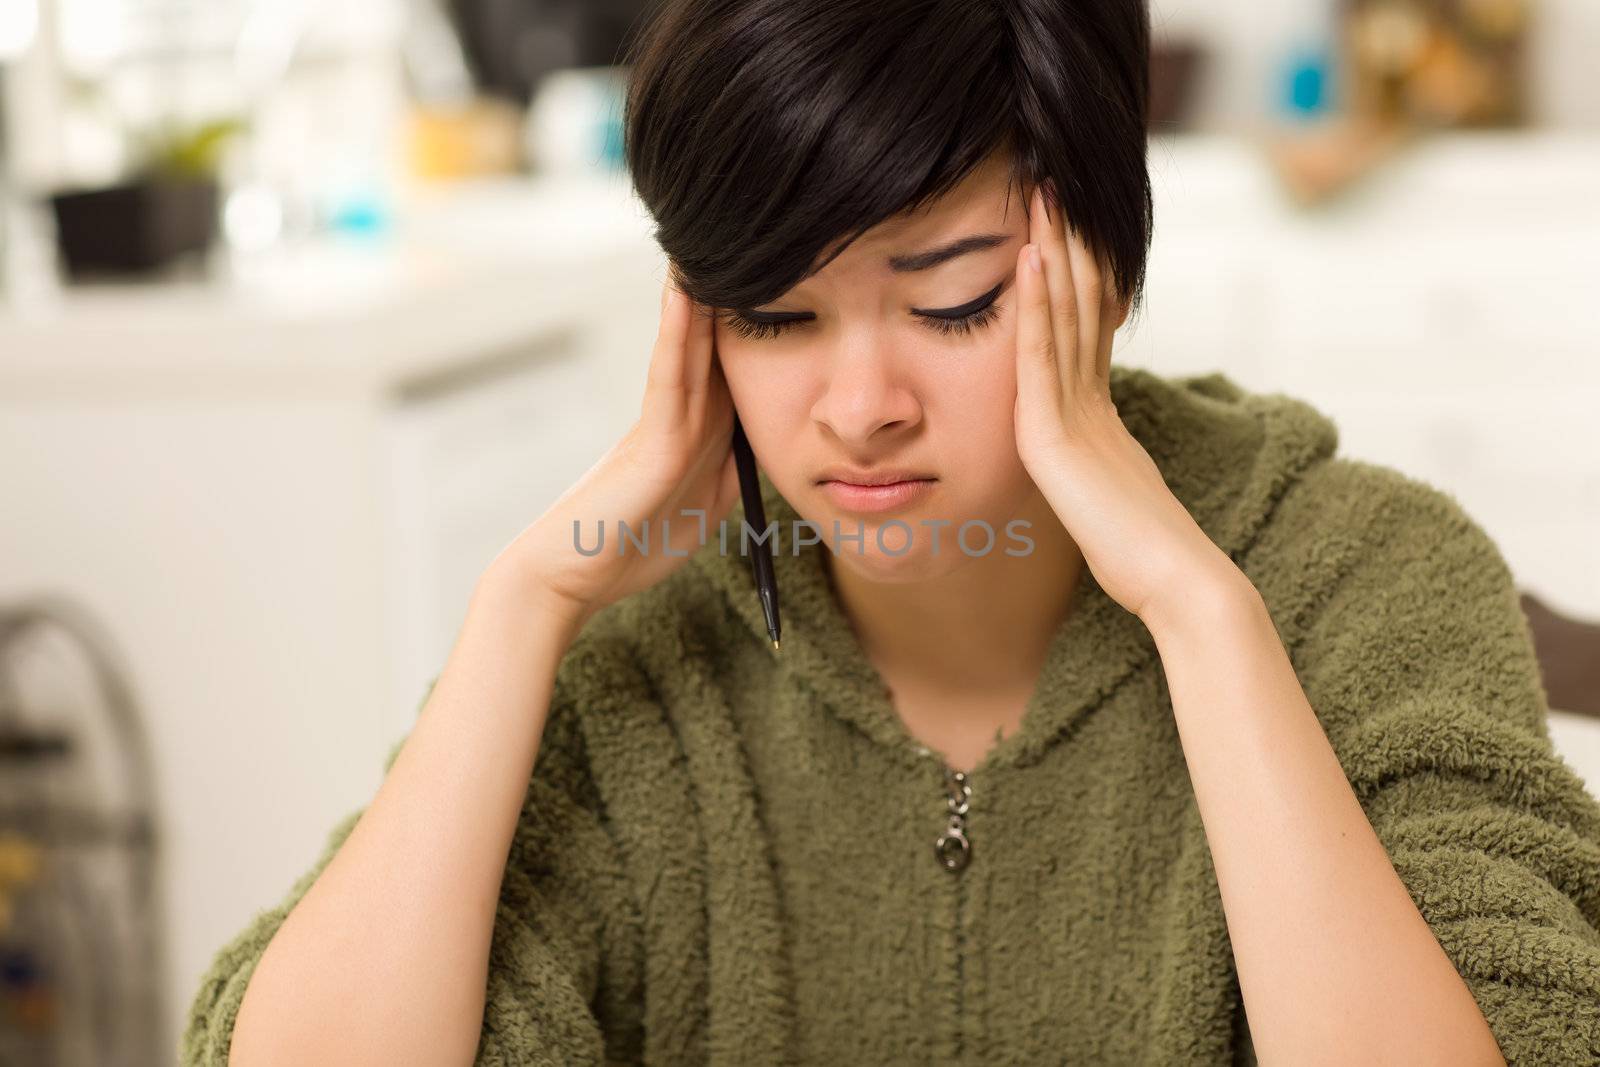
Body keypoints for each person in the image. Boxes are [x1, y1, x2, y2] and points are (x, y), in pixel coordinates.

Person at [184, 1, 1600, 1064]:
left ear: (1102, 268)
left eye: (955, 303)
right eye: (776, 315)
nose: (859, 409)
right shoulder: (631, 671)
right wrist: (523, 607)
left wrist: (1197, 610)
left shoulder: (1370, 577)